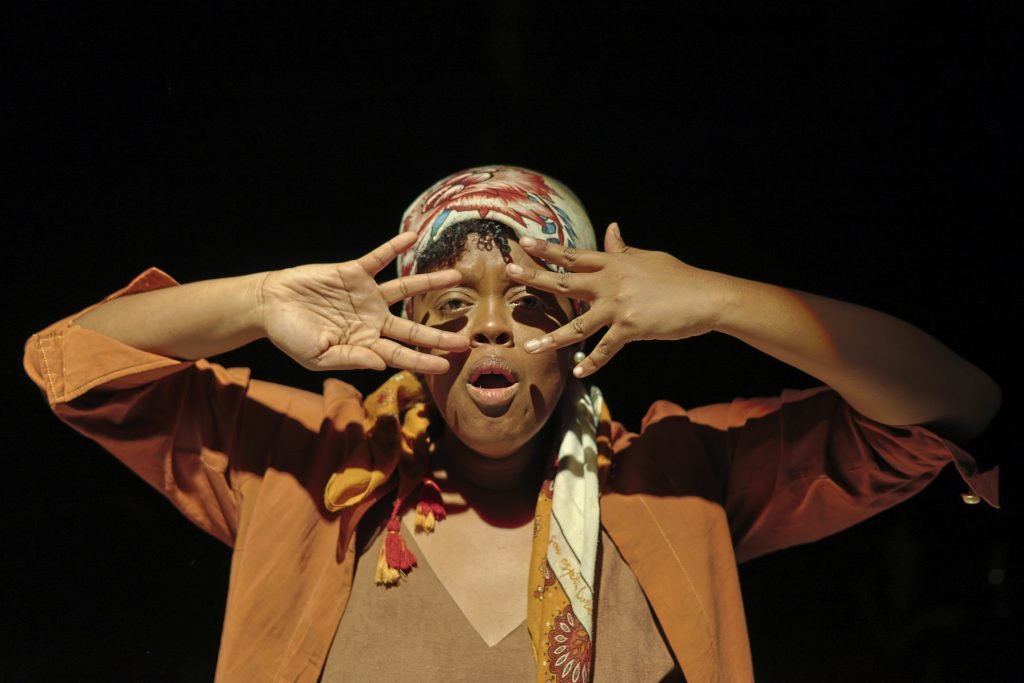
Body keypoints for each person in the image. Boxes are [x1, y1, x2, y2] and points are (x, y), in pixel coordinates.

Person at [23, 165, 1000, 682]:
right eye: (450, 304)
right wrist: (260, 295)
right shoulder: (310, 466)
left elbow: (954, 402)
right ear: (404, 325)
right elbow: (72, 361)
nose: (489, 321)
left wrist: (719, 299)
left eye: (531, 300)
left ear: (583, 333)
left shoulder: (676, 480)